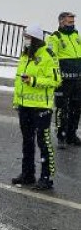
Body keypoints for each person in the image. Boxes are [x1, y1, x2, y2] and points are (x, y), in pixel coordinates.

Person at [12, 24, 61, 190]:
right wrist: (17, 102)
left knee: (44, 142)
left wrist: (34, 81)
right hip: (25, 106)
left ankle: (46, 177)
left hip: (41, 107)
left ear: (36, 39)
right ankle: (27, 174)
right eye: (25, 38)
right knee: (27, 141)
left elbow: (55, 80)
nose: (25, 41)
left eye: (28, 38)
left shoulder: (48, 55)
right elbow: (19, 81)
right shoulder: (25, 56)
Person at [46, 11, 81, 148]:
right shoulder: (55, 38)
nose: (72, 24)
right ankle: (62, 136)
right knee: (62, 109)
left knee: (76, 108)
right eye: (69, 22)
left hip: (77, 80)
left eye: (73, 22)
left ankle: (72, 135)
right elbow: (51, 59)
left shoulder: (76, 36)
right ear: (61, 22)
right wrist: (56, 77)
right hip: (63, 81)